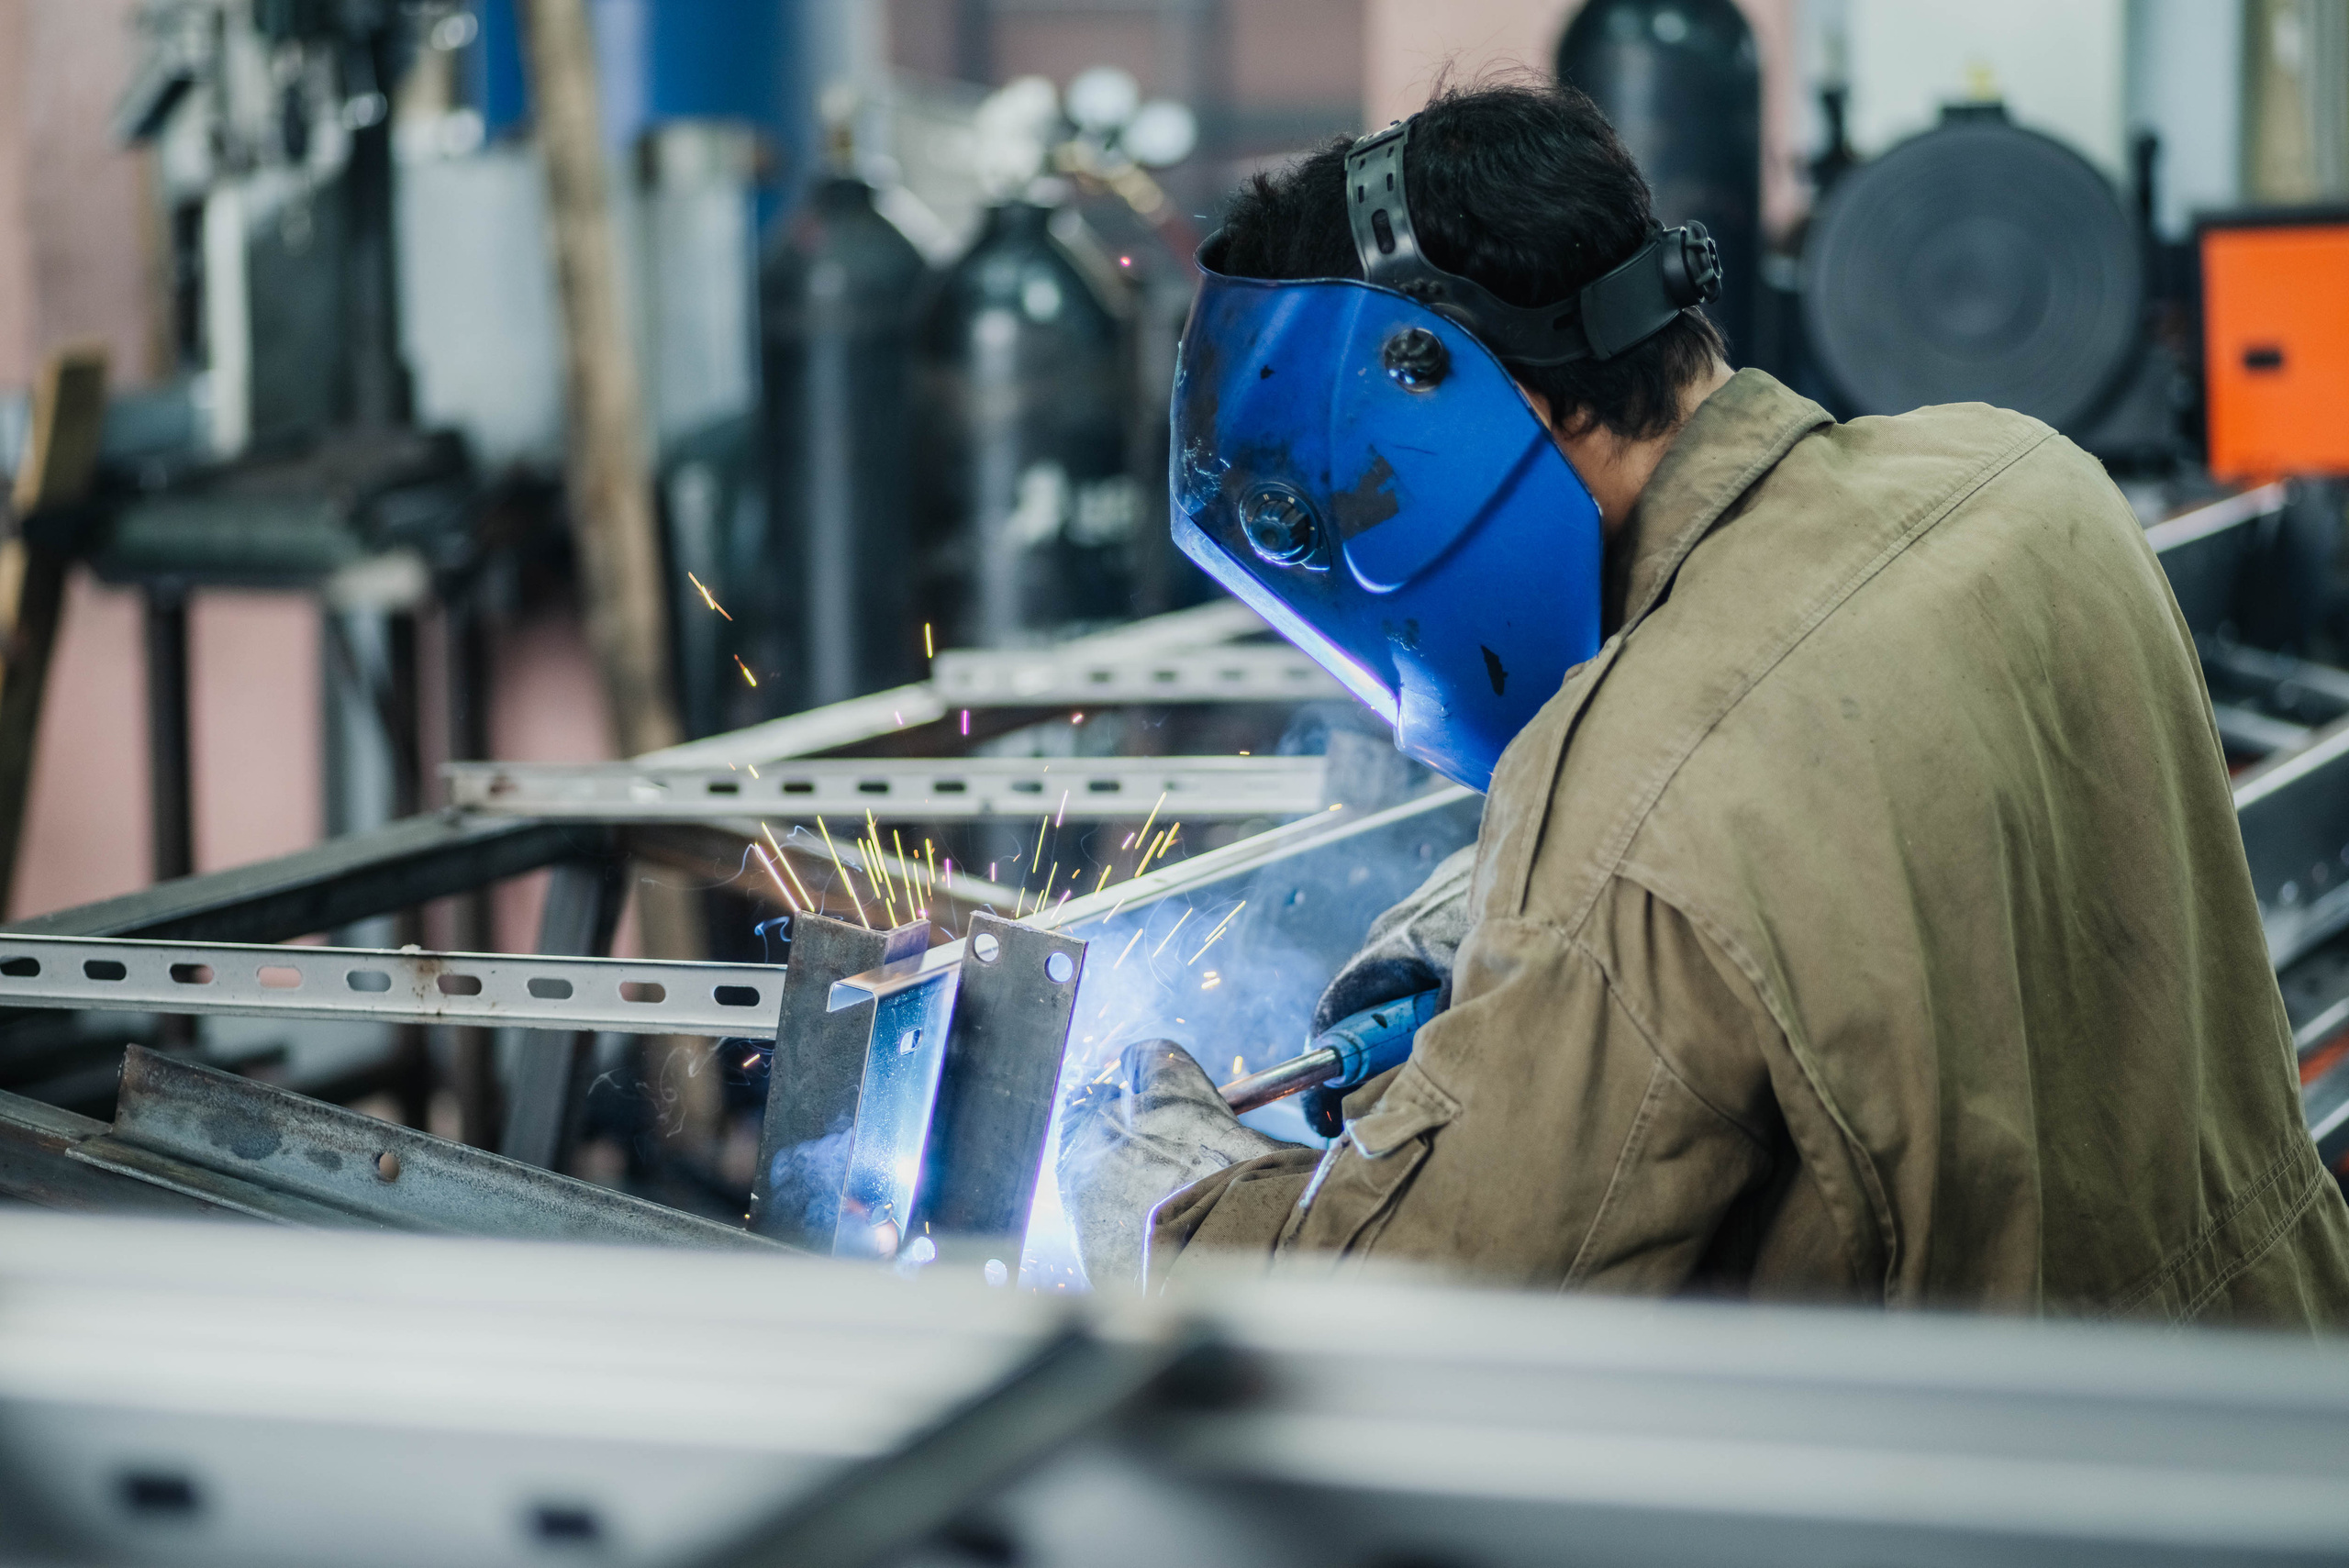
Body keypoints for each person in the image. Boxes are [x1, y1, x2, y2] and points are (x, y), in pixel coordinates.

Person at [1058, 80, 2349, 1323]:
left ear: (1435, 403)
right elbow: (1835, 793)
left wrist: (1159, 1185)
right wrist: (1483, 929)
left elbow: (1396, 1318)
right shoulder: (2025, 479)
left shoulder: (1645, 795)